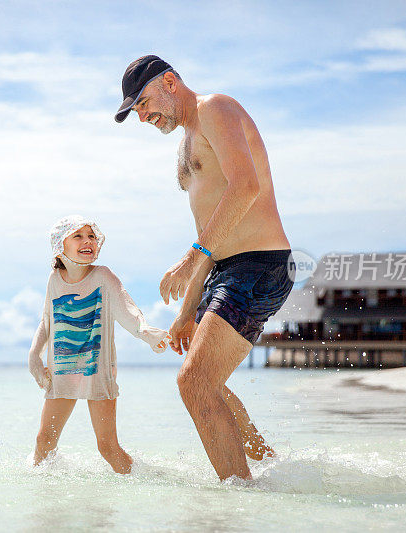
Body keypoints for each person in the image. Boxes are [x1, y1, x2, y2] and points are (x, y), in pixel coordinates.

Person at [115, 55, 294, 481]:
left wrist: (192, 257)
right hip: (226, 270)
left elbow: (246, 187)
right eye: (136, 111)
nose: (142, 117)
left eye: (142, 103)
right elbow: (209, 232)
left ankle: (239, 504)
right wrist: (185, 311)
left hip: (258, 265)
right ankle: (270, 468)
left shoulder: (215, 108)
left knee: (193, 382)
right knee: (202, 380)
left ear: (171, 82)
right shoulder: (186, 143)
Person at [28, 215, 170, 474]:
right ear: (61, 245)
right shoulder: (54, 279)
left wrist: (148, 333)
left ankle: (150, 482)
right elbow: (47, 320)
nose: (88, 241)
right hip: (62, 371)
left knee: (107, 448)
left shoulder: (102, 276)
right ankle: (44, 501)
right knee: (43, 442)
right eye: (78, 236)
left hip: (96, 369)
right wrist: (34, 356)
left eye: (92, 236)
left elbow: (127, 309)